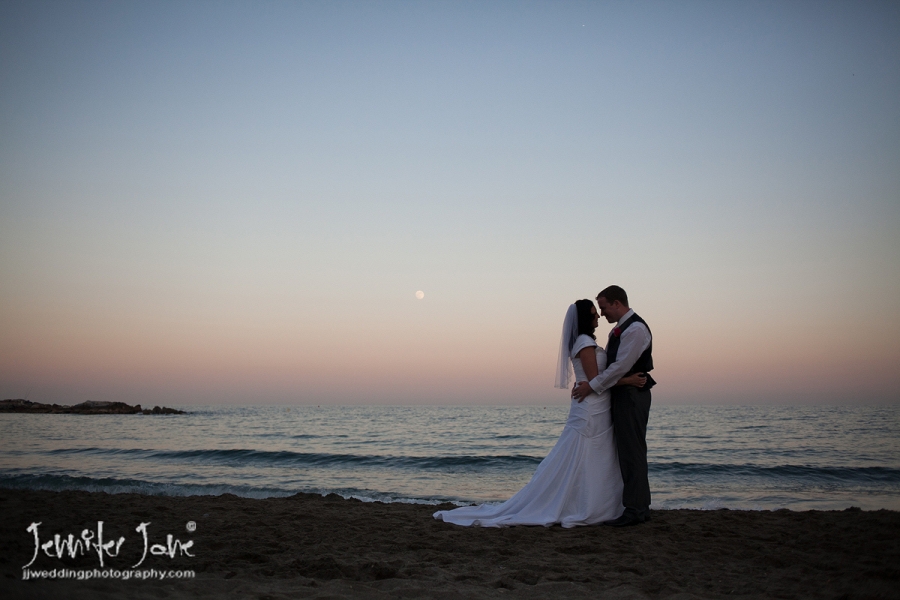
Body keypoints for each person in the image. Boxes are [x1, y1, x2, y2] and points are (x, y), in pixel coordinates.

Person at [433, 300, 646, 527]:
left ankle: (594, 503)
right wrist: (628, 381)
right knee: (585, 454)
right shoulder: (584, 343)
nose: (598, 317)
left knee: (593, 456)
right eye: (594, 313)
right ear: (585, 318)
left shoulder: (586, 342)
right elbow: (595, 380)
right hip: (591, 408)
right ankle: (583, 505)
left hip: (596, 405)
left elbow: (593, 380)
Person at [573, 285, 655, 527]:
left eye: (604, 307)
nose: (601, 313)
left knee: (632, 452)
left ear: (617, 304)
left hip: (632, 396)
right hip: (621, 394)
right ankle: (637, 507)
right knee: (627, 452)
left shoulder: (636, 329)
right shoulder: (618, 331)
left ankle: (636, 510)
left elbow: (620, 367)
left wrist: (591, 386)